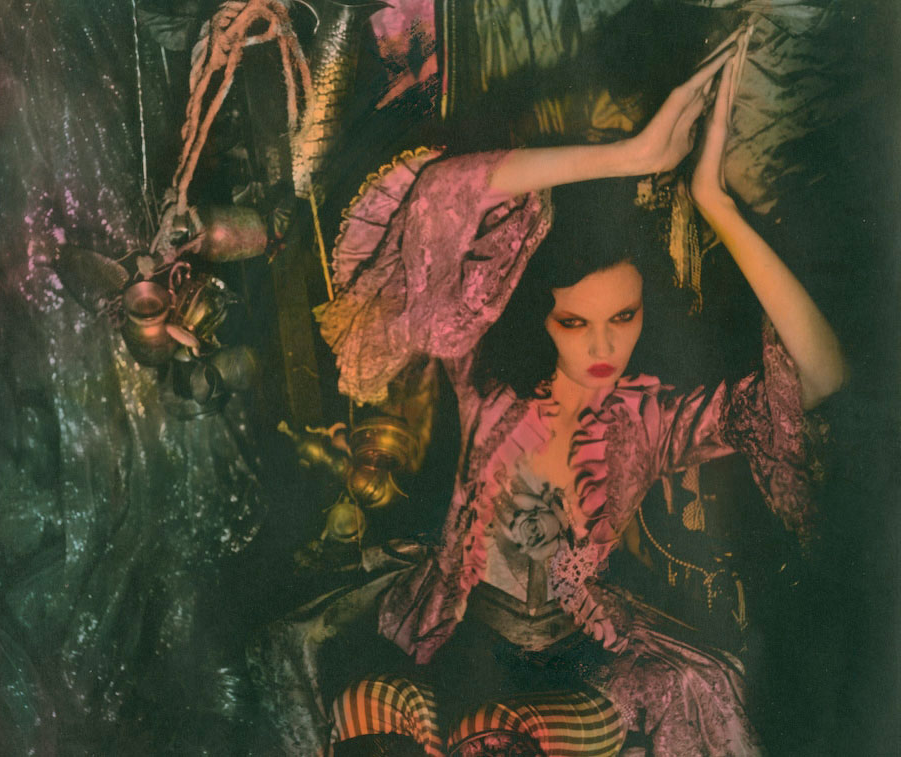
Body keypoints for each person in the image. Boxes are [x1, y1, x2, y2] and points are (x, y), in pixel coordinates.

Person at [315, 41, 846, 757]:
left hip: (574, 665)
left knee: (492, 736)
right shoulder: (481, 377)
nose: (604, 346)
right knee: (367, 708)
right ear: (540, 318)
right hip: (453, 636)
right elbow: (441, 196)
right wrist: (630, 156)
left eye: (623, 317)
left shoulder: (651, 420)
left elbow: (820, 377)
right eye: (574, 322)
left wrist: (716, 205)